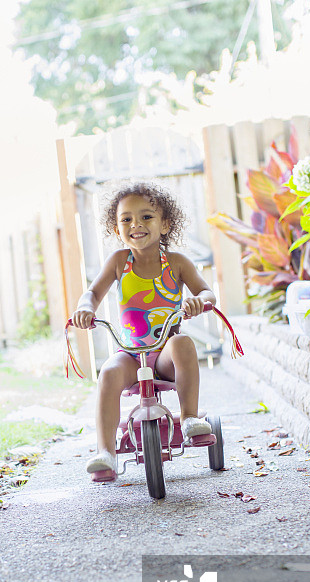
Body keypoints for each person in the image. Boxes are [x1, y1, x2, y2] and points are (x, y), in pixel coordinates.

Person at [71, 181, 216, 478]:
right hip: (132, 354)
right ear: (116, 229)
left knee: (183, 342)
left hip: (165, 356)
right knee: (109, 372)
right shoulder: (118, 262)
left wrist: (199, 302)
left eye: (146, 216)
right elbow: (92, 293)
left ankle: (188, 418)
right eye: (126, 219)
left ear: (165, 224)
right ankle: (106, 453)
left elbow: (207, 291)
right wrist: (86, 307)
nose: (136, 224)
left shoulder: (176, 264)